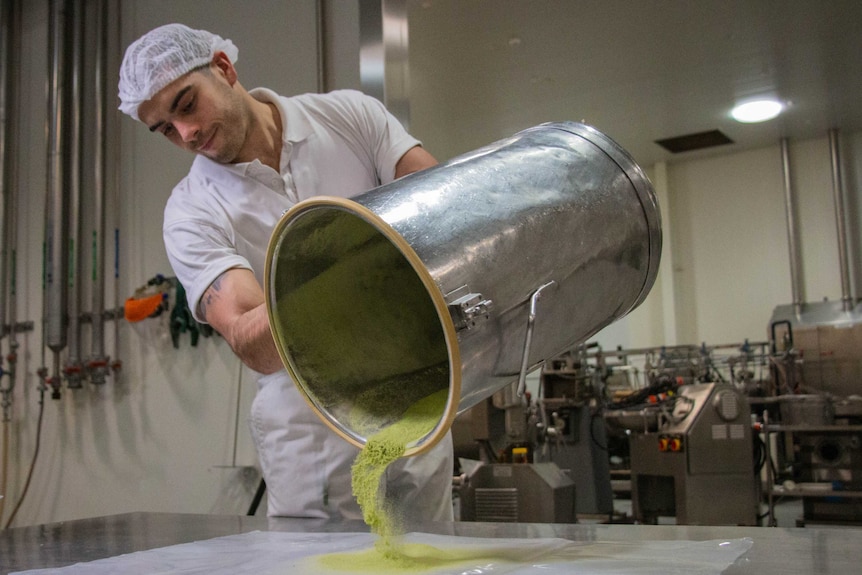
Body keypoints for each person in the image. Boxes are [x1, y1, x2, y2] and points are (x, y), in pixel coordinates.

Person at [117, 23, 454, 522]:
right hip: (311, 435)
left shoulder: (348, 117)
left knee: (431, 557)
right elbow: (254, 341)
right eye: (165, 128)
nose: (184, 134)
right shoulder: (191, 211)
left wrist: (312, 301)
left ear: (224, 69)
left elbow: (443, 208)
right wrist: (377, 273)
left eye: (186, 105)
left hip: (416, 407)